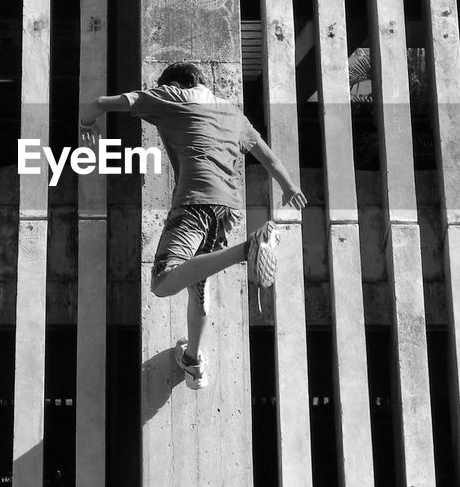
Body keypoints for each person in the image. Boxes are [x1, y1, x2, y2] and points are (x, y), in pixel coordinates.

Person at [79, 61, 306, 389]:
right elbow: (267, 157)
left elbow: (102, 103)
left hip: (195, 203)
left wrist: (87, 124)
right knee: (198, 286)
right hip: (228, 209)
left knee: (163, 280)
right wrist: (289, 187)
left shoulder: (173, 95)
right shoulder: (233, 113)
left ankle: (247, 249)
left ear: (175, 84)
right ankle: (193, 361)